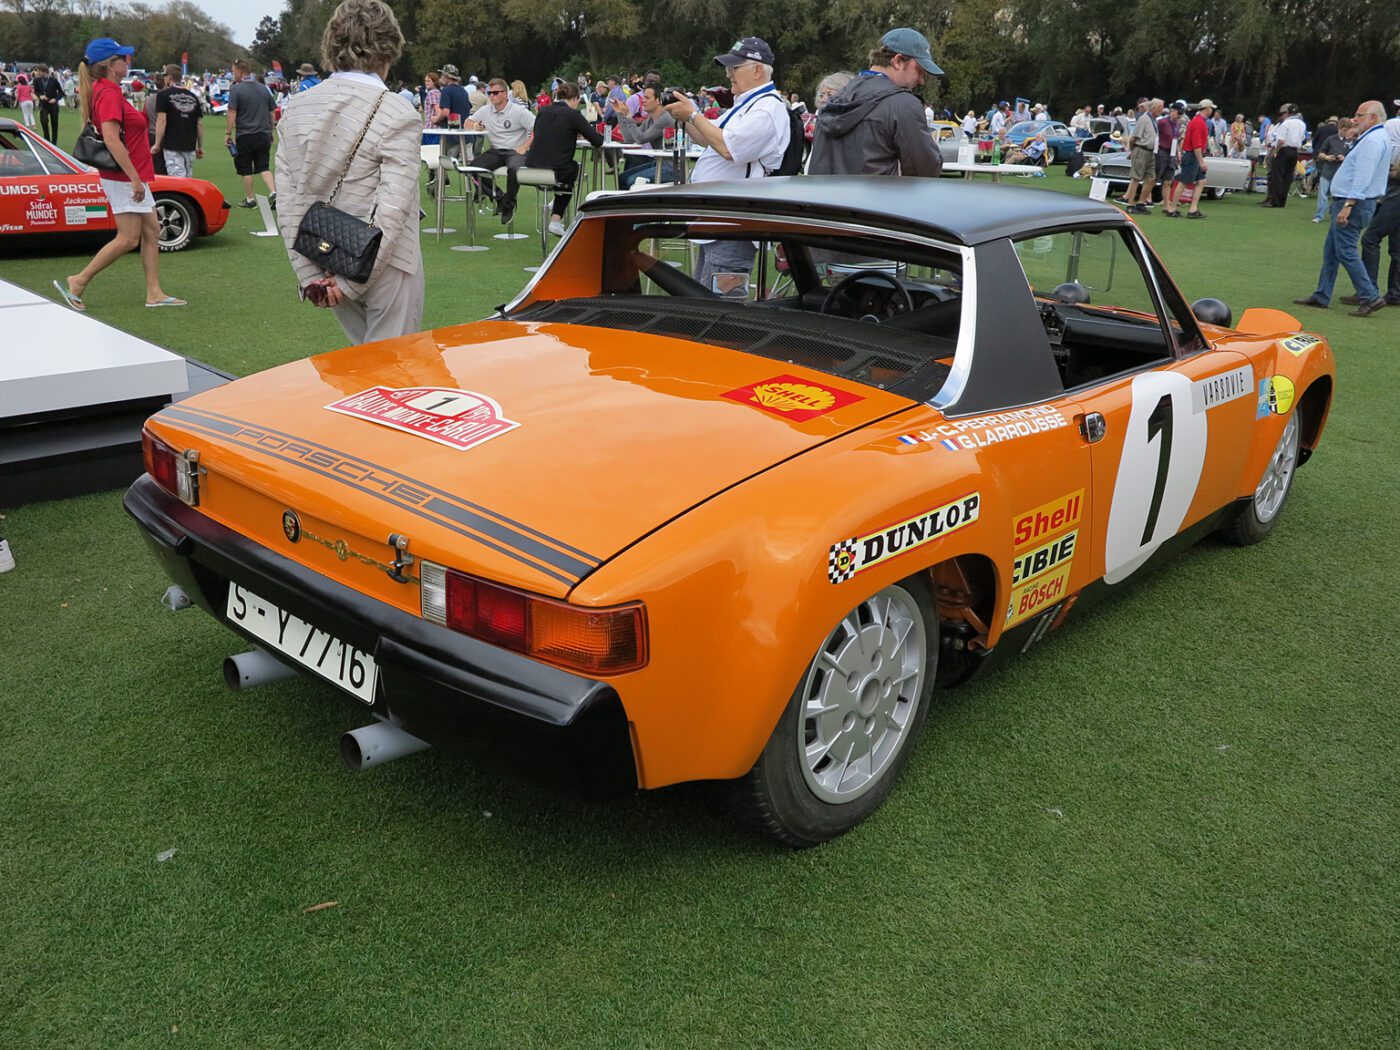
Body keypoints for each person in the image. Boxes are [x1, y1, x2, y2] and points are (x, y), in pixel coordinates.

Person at [276, 0, 423, 344]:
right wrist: (349, 283)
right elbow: (393, 211)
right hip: (387, 264)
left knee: (365, 363)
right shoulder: (398, 112)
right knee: (394, 366)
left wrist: (311, 277)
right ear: (389, 46)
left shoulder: (297, 107)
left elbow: (287, 202)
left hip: (325, 257)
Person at [55, 37, 185, 312]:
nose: (128, 62)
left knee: (152, 230)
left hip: (130, 175)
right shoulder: (108, 94)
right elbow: (112, 140)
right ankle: (78, 281)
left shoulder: (107, 91)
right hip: (124, 177)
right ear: (110, 66)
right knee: (128, 238)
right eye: (123, 59)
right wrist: (135, 179)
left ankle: (154, 293)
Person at [662, 37, 790, 288]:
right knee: (704, 298)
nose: (728, 74)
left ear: (757, 70)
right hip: (719, 218)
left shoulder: (766, 109)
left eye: (734, 67)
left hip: (735, 220)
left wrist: (693, 115)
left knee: (720, 302)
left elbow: (728, 148)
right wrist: (684, 116)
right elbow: (707, 138)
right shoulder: (749, 103)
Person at [1293, 101, 1392, 317]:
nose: (1355, 119)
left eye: (1359, 115)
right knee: (1331, 250)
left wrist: (1348, 205)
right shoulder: (1376, 137)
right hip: (1354, 201)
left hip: (1353, 202)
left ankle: (1370, 296)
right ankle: (1322, 294)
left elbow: (1362, 176)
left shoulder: (1372, 141)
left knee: (1345, 250)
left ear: (1373, 117)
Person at [807, 27, 943, 178]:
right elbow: (925, 171)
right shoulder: (903, 105)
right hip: (877, 193)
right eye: (919, 70)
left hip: (824, 193)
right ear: (897, 61)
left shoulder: (836, 99)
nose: (921, 80)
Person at [523, 82, 603, 235]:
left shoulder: (543, 111)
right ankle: (555, 219)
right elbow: (597, 140)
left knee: (565, 169)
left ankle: (556, 202)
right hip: (556, 170)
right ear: (575, 98)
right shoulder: (573, 115)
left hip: (531, 166)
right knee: (572, 169)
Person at [467, 77, 536, 226]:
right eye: (489, 93)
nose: (492, 96)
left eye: (495, 93)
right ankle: (499, 198)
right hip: (496, 151)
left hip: (515, 150)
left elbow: (538, 127)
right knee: (473, 168)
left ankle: (509, 206)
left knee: (515, 168)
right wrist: (475, 126)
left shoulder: (519, 111)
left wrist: (525, 146)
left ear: (505, 94)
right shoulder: (485, 110)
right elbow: (467, 122)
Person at [1358, 122, 1400, 306]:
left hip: (1396, 197)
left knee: (1370, 238)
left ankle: (1369, 290)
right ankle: (1395, 293)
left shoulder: (1389, 131)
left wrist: (1386, 172)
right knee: (1397, 247)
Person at [226, 58, 276, 208]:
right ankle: (273, 192)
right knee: (264, 166)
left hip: (245, 134)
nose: (233, 74)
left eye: (233, 71)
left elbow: (232, 112)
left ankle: (250, 199)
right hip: (263, 134)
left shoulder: (236, 89)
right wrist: (271, 130)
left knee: (245, 168)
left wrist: (228, 133)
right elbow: (272, 112)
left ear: (240, 72)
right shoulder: (263, 88)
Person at [617, 83, 676, 189]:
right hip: (659, 163)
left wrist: (629, 117)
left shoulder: (665, 118)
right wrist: (620, 114)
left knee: (632, 181)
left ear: (658, 100)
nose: (643, 101)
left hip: (672, 167)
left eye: (647, 98)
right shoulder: (650, 119)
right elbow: (630, 139)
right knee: (622, 178)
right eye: (643, 97)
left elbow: (641, 139)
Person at [1164, 98, 1213, 219]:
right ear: (1207, 109)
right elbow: (1196, 145)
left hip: (1193, 155)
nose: (1212, 110)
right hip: (1192, 155)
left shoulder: (1199, 121)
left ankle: (1193, 209)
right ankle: (1172, 208)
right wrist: (1201, 162)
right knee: (1183, 182)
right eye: (1211, 108)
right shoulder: (1198, 123)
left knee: (1201, 181)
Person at [153, 64, 203, 178]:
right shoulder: (193, 97)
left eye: (165, 76)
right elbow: (199, 123)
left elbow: (162, 120)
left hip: (172, 145)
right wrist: (200, 146)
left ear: (169, 77)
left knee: (178, 181)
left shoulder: (163, 95)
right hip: (190, 145)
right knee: (187, 179)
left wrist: (157, 143)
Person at [1121, 98, 1163, 214]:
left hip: (1151, 151)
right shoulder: (1144, 119)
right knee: (1136, 178)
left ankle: (1141, 202)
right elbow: (1133, 137)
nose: (1161, 111)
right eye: (1160, 108)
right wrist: (1133, 151)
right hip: (1141, 149)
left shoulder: (1154, 120)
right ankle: (1130, 204)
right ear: (1153, 108)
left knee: (1151, 178)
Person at [1263, 103, 1305, 207]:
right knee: (1288, 176)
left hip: (1284, 149)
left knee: (1278, 175)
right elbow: (1302, 139)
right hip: (1294, 151)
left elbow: (1281, 140)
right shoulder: (1302, 124)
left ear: (1288, 113)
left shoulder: (1286, 123)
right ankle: (1282, 201)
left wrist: (1276, 151)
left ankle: (1275, 201)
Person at [31, 65, 63, 142]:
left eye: (39, 71)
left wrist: (55, 99)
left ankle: (54, 142)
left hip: (53, 105)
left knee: (54, 124)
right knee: (44, 121)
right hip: (44, 104)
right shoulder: (36, 80)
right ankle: (47, 140)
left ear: (44, 71)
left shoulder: (54, 80)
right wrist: (40, 96)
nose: (38, 73)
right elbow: (36, 91)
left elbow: (61, 92)